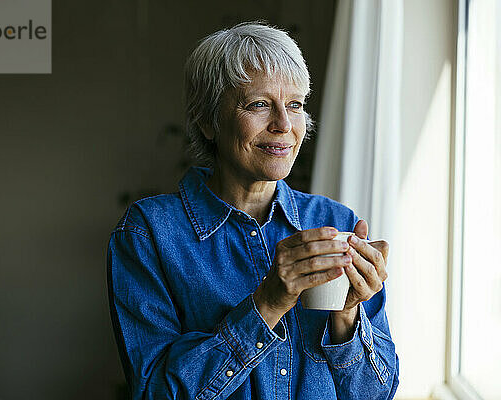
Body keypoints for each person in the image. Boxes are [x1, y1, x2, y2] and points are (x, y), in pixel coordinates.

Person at [108, 22, 399, 400]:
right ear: (207, 121)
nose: (283, 125)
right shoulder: (147, 234)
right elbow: (155, 393)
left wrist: (347, 318)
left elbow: (377, 393)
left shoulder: (336, 222)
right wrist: (268, 303)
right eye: (259, 104)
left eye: (294, 105)